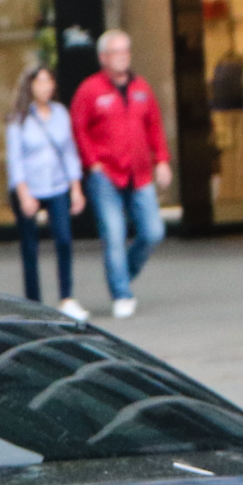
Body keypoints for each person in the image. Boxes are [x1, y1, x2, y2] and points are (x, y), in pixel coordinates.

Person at [70, 30, 171, 319]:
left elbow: (154, 126)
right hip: (106, 174)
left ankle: (122, 274)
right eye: (116, 51)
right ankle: (121, 293)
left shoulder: (142, 88)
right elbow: (79, 129)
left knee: (153, 231)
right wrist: (92, 163)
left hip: (139, 173)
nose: (123, 56)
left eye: (126, 50)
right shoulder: (90, 90)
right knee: (113, 234)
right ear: (103, 58)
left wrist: (162, 160)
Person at [3, 65, 86, 318]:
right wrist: (24, 194)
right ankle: (33, 302)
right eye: (41, 82)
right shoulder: (18, 118)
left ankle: (67, 297)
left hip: (57, 184)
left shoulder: (60, 113)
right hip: (29, 186)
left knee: (63, 239)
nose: (46, 87)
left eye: (50, 81)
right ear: (30, 86)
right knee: (30, 246)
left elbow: (69, 152)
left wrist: (76, 187)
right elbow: (15, 159)